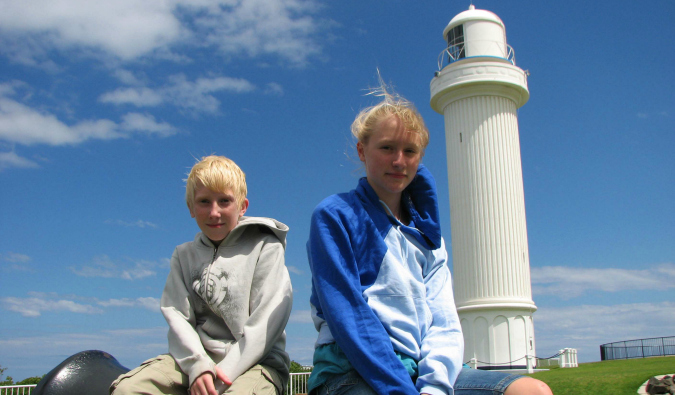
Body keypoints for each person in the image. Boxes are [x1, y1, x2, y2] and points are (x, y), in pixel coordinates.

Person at [306, 84, 552, 395]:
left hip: (423, 367)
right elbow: (349, 316)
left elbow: (445, 320)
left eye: (409, 151)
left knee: (532, 390)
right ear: (361, 150)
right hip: (351, 369)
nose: (399, 161)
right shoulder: (335, 215)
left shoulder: (428, 237)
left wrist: (434, 386)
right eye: (386, 148)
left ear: (420, 157)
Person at [111, 155, 293, 395]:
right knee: (128, 390)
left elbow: (266, 323)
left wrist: (221, 377)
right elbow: (178, 317)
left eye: (225, 201)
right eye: (204, 201)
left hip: (256, 363)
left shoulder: (265, 247)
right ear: (191, 208)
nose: (214, 212)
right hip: (194, 362)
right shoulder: (183, 256)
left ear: (243, 206)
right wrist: (199, 366)